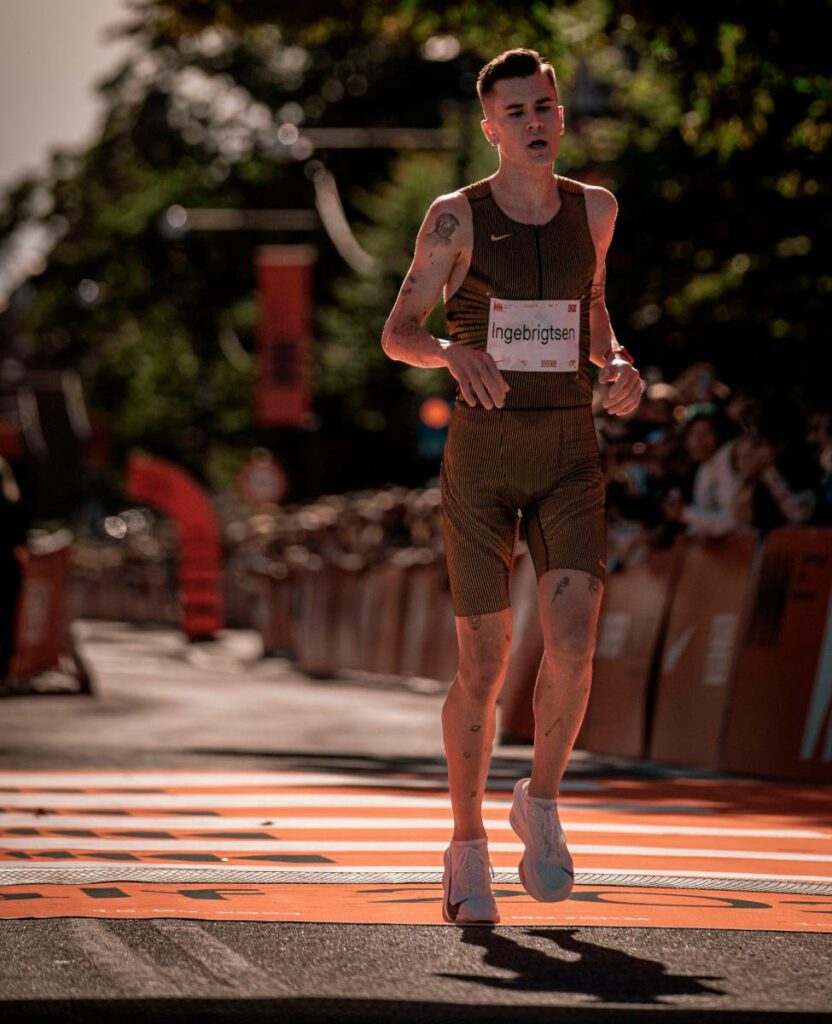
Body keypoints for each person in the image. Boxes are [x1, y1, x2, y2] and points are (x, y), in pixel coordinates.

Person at [382, 48, 644, 924]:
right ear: (492, 129)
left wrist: (617, 363)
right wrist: (450, 351)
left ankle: (540, 799)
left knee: (573, 642)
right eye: (517, 112)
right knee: (485, 663)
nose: (535, 122)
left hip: (570, 446)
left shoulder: (595, 211)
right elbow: (398, 333)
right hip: (485, 456)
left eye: (546, 106)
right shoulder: (454, 219)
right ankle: (466, 846)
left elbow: (595, 310)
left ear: (561, 116)